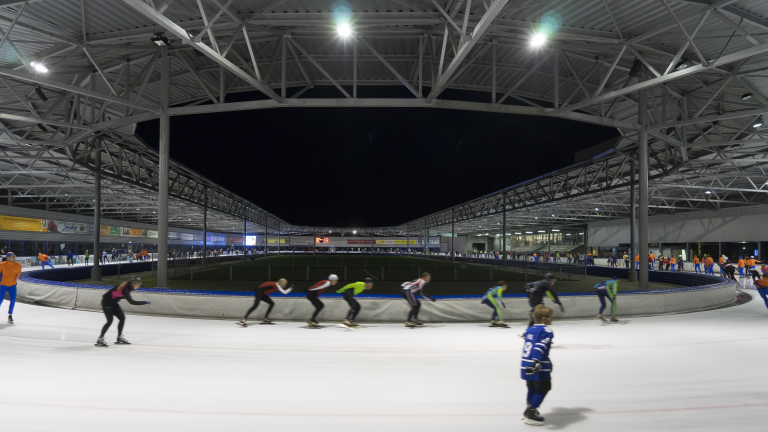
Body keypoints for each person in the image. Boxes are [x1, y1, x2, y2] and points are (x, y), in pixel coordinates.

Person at [521, 304, 555, 426]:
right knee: (544, 388)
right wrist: (537, 361)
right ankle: (531, 412)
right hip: (538, 367)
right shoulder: (546, 330)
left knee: (532, 388)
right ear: (544, 319)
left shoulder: (529, 329)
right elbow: (539, 347)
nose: (552, 320)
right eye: (550, 317)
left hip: (525, 364)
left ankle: (528, 410)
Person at [95, 276, 150, 347]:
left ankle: (119, 337)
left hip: (113, 303)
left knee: (122, 318)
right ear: (133, 283)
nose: (139, 286)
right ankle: (100, 339)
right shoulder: (126, 288)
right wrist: (144, 302)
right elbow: (131, 302)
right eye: (138, 285)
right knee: (110, 321)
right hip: (107, 302)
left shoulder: (128, 287)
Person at [0, 252, 22, 324]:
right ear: (8, 258)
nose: (13, 258)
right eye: (12, 256)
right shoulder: (2, 265)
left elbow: (18, 274)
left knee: (13, 300)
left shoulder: (18, 265)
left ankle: (10, 315)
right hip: (2, 284)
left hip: (12, 285)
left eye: (14, 256)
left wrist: (13, 280)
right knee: (0, 300)